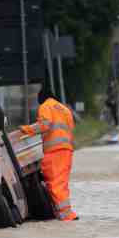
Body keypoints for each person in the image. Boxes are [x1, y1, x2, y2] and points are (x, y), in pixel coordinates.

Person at [21, 87, 78, 221]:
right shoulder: (64, 109)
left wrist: (27, 129)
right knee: (62, 183)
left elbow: (44, 125)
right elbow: (71, 128)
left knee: (55, 184)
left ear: (41, 98)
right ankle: (66, 213)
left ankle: (66, 215)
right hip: (67, 150)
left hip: (54, 152)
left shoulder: (45, 107)